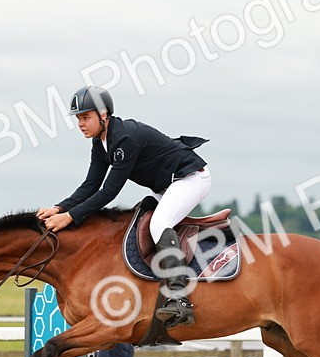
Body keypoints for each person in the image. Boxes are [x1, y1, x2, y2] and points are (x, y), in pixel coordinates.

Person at [37, 86, 210, 327]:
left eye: (85, 117)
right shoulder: (101, 143)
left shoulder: (125, 139)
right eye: (78, 119)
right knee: (135, 222)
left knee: (159, 224)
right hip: (167, 187)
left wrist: (70, 217)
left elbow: (109, 192)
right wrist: (59, 208)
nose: (81, 124)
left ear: (103, 115)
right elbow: (91, 185)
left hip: (190, 179)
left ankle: (180, 299)